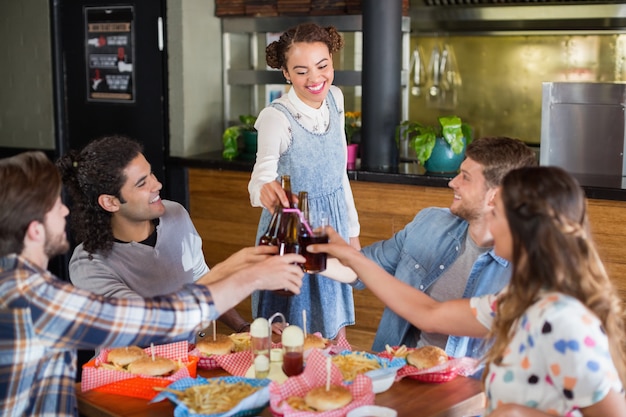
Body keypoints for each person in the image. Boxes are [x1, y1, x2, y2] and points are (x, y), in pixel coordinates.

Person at [0, 151, 304, 416]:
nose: (65, 211)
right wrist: (248, 274)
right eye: (55, 206)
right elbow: (151, 320)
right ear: (34, 230)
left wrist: (239, 301)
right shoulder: (37, 300)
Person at [311, 166, 626, 416]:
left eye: (497, 214)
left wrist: (517, 413)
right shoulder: (518, 302)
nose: (489, 221)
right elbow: (428, 314)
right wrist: (351, 255)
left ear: (524, 229)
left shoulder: (563, 321)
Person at [56, 135, 281, 334]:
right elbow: (149, 320)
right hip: (129, 374)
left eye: (151, 173)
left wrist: (243, 328)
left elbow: (199, 277)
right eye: (142, 183)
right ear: (111, 202)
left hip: (190, 363)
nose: (158, 184)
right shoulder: (89, 264)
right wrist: (233, 272)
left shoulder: (175, 214)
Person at [347, 136, 537, 354]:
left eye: (465, 177)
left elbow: (430, 316)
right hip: (403, 370)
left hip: (472, 386)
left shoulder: (526, 279)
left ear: (494, 196)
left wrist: (347, 255)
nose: (452, 182)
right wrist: (315, 257)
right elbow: (365, 267)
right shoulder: (432, 223)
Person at [247, 22, 360, 340]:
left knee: (332, 330)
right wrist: (265, 193)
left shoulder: (336, 100)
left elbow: (339, 176)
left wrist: (353, 235)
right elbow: (259, 181)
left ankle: (334, 384)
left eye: (323, 66)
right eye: (301, 71)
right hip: (294, 235)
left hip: (332, 227)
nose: (315, 78)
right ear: (285, 73)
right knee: (293, 335)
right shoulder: (276, 117)